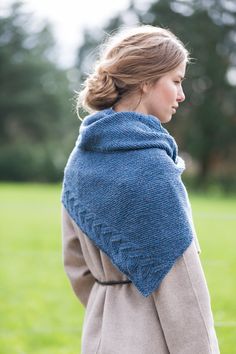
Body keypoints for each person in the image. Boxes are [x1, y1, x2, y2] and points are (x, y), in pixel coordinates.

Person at [61, 25, 220, 354]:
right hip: (153, 339)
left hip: (101, 334)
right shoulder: (154, 169)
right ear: (146, 80)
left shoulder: (79, 159)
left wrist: (110, 309)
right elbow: (183, 290)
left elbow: (76, 266)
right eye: (176, 81)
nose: (182, 95)